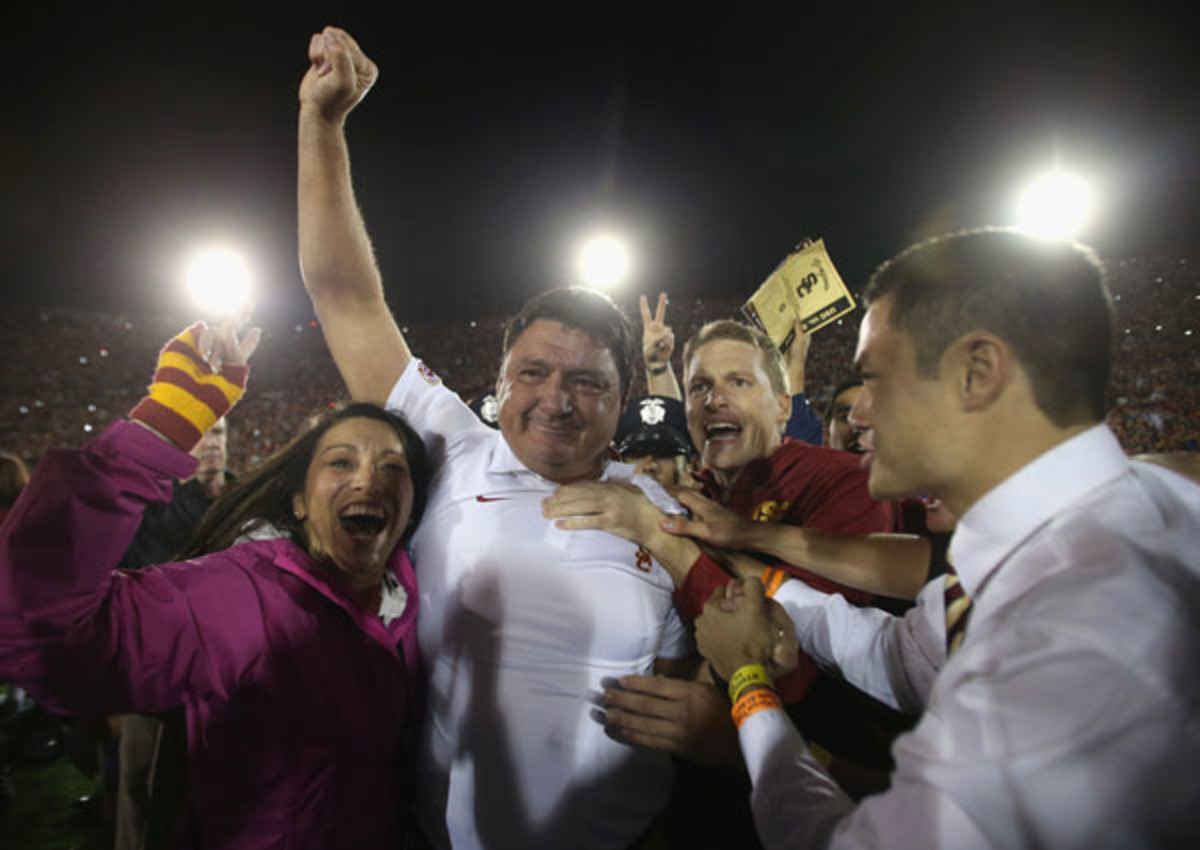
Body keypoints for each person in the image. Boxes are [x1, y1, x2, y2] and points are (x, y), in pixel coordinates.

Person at [297, 27, 691, 850]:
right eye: (534, 373)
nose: (556, 401)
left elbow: (703, 668)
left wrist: (717, 721)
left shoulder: (664, 514)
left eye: (587, 382)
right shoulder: (451, 448)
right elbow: (345, 298)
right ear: (500, 381)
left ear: (623, 399)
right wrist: (323, 124)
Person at [694, 228, 1200, 848]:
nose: (858, 415)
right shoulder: (1099, 517)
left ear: (976, 372)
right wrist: (761, 582)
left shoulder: (1075, 637)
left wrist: (747, 685)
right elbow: (895, 655)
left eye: (874, 377)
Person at [0, 321, 432, 849]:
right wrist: (159, 429)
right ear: (297, 501)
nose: (368, 480)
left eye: (394, 468)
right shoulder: (242, 596)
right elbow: (37, 631)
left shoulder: (411, 596)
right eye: (341, 462)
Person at [114, 417, 234, 850]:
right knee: (148, 805)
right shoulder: (150, 507)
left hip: (234, 686)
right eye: (198, 434)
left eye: (217, 432)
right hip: (162, 688)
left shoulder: (247, 498)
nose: (210, 443)